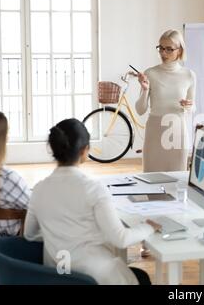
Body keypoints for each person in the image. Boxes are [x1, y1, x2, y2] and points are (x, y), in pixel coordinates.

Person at [24, 119, 161, 285]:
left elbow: (29, 234)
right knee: (141, 278)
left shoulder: (38, 189)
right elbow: (121, 239)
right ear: (85, 150)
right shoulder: (93, 188)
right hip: (95, 276)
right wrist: (149, 227)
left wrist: (59, 233)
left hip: (57, 276)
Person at [135, 29, 196, 172]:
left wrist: (189, 106)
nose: (163, 53)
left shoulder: (189, 75)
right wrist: (144, 90)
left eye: (169, 49)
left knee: (177, 181)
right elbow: (140, 110)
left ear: (180, 51)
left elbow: (193, 108)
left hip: (178, 133)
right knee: (152, 181)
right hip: (155, 133)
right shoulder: (150, 73)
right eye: (161, 48)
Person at [0, 111, 30, 236]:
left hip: (0, 244)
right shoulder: (7, 178)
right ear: (1, 139)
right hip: (19, 243)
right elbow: (38, 211)